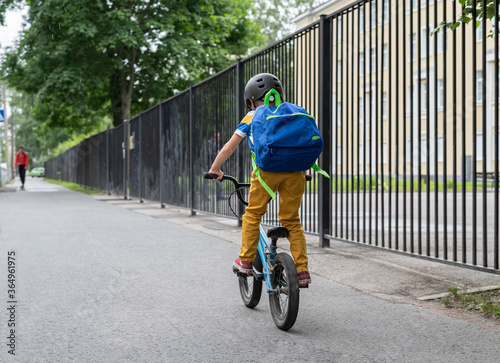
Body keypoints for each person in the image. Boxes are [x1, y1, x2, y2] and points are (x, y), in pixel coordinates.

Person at [208, 73, 311, 286]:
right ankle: (302, 271)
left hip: (266, 174)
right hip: (296, 173)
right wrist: (304, 170)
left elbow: (229, 147)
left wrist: (215, 168)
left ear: (251, 100)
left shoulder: (253, 115)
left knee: (253, 214)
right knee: (292, 220)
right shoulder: (294, 112)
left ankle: (245, 261)